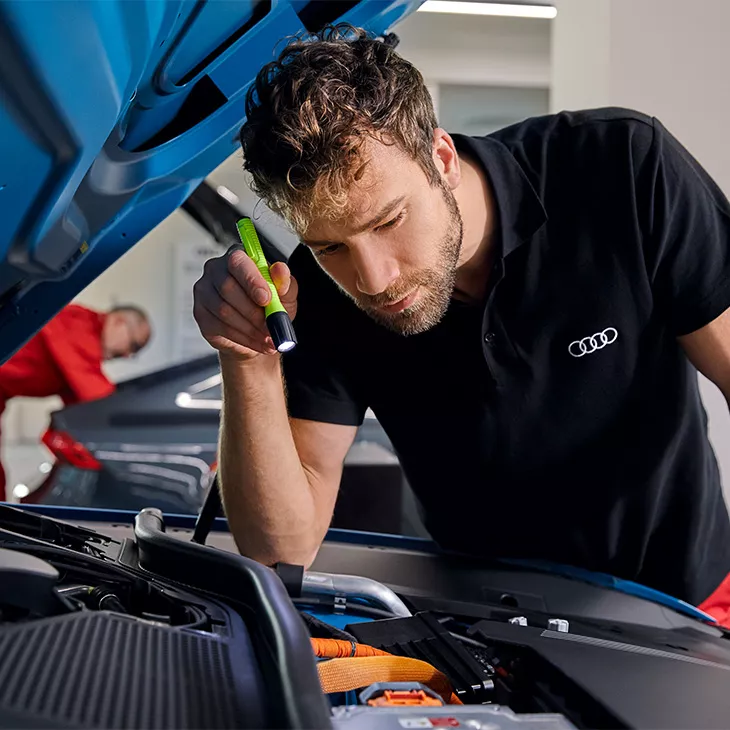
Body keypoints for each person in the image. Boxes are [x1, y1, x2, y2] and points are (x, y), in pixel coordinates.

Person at [193, 25, 730, 623]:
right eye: (330, 247)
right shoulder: (314, 292)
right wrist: (248, 358)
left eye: (389, 220)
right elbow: (280, 548)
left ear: (441, 159)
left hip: (687, 601)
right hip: (487, 622)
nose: (373, 279)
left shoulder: (622, 168)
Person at [0, 303, 151, 500]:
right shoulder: (78, 324)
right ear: (119, 322)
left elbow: (81, 412)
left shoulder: (81, 346)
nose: (127, 355)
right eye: (134, 346)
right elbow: (99, 399)